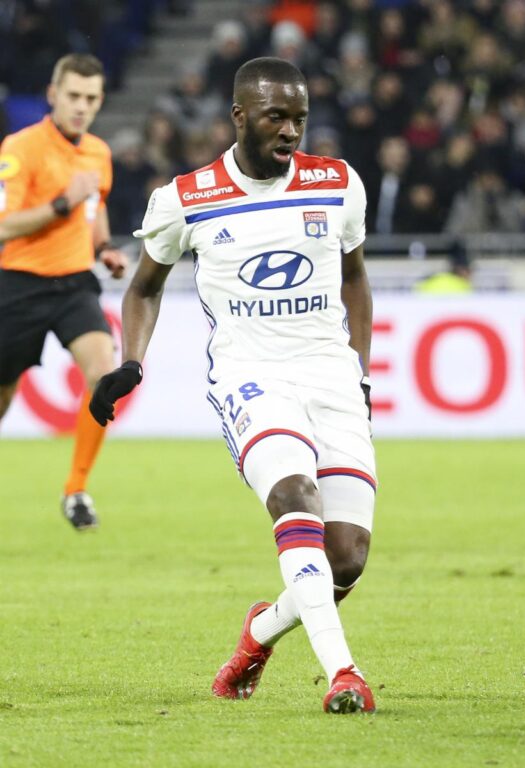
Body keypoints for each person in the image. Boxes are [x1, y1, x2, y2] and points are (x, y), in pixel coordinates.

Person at [89, 57, 377, 714]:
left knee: (346, 559)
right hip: (251, 380)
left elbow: (355, 278)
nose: (291, 131)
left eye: (300, 118)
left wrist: (359, 371)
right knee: (294, 496)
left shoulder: (338, 183)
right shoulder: (186, 198)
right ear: (240, 116)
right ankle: (344, 673)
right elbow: (143, 289)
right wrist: (132, 362)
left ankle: (259, 634)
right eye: (277, 117)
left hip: (331, 377)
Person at [0, 53, 128, 530]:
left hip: (75, 283)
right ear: (53, 95)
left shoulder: (98, 153)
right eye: (73, 95)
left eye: (91, 98)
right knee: (3, 398)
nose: (81, 106)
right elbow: (3, 226)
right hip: (19, 283)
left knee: (104, 375)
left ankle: (76, 489)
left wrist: (105, 248)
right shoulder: (20, 148)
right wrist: (61, 203)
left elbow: (94, 207)